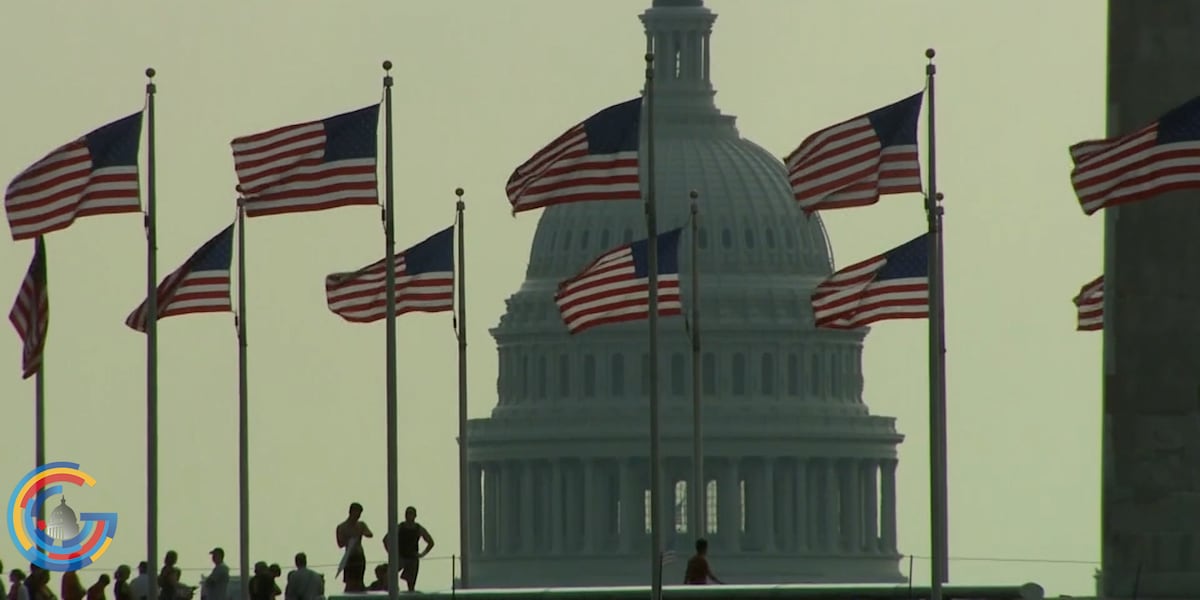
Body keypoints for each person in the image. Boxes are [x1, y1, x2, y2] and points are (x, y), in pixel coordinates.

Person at [383, 506, 434, 592]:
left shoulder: (418, 528)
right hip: (400, 557)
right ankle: (394, 592)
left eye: (411, 514)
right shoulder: (400, 527)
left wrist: (422, 554)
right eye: (407, 514)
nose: (409, 516)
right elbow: (386, 539)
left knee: (411, 584)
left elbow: (430, 542)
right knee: (389, 576)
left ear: (415, 515)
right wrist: (392, 554)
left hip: (412, 558)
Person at [335, 502, 373, 592]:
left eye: (359, 514)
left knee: (359, 581)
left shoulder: (361, 525)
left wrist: (361, 532)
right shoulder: (342, 527)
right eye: (357, 513)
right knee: (350, 582)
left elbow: (370, 534)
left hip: (359, 555)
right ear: (351, 512)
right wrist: (349, 539)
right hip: (349, 556)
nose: (358, 516)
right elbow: (340, 544)